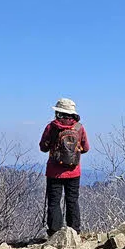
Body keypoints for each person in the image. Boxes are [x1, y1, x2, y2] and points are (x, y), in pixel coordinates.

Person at [39, 98, 90, 235]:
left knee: (54, 202)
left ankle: (55, 232)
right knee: (72, 201)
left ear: (59, 112)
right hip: (74, 171)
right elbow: (85, 148)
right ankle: (74, 232)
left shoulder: (51, 127)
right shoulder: (79, 128)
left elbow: (43, 147)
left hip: (54, 172)